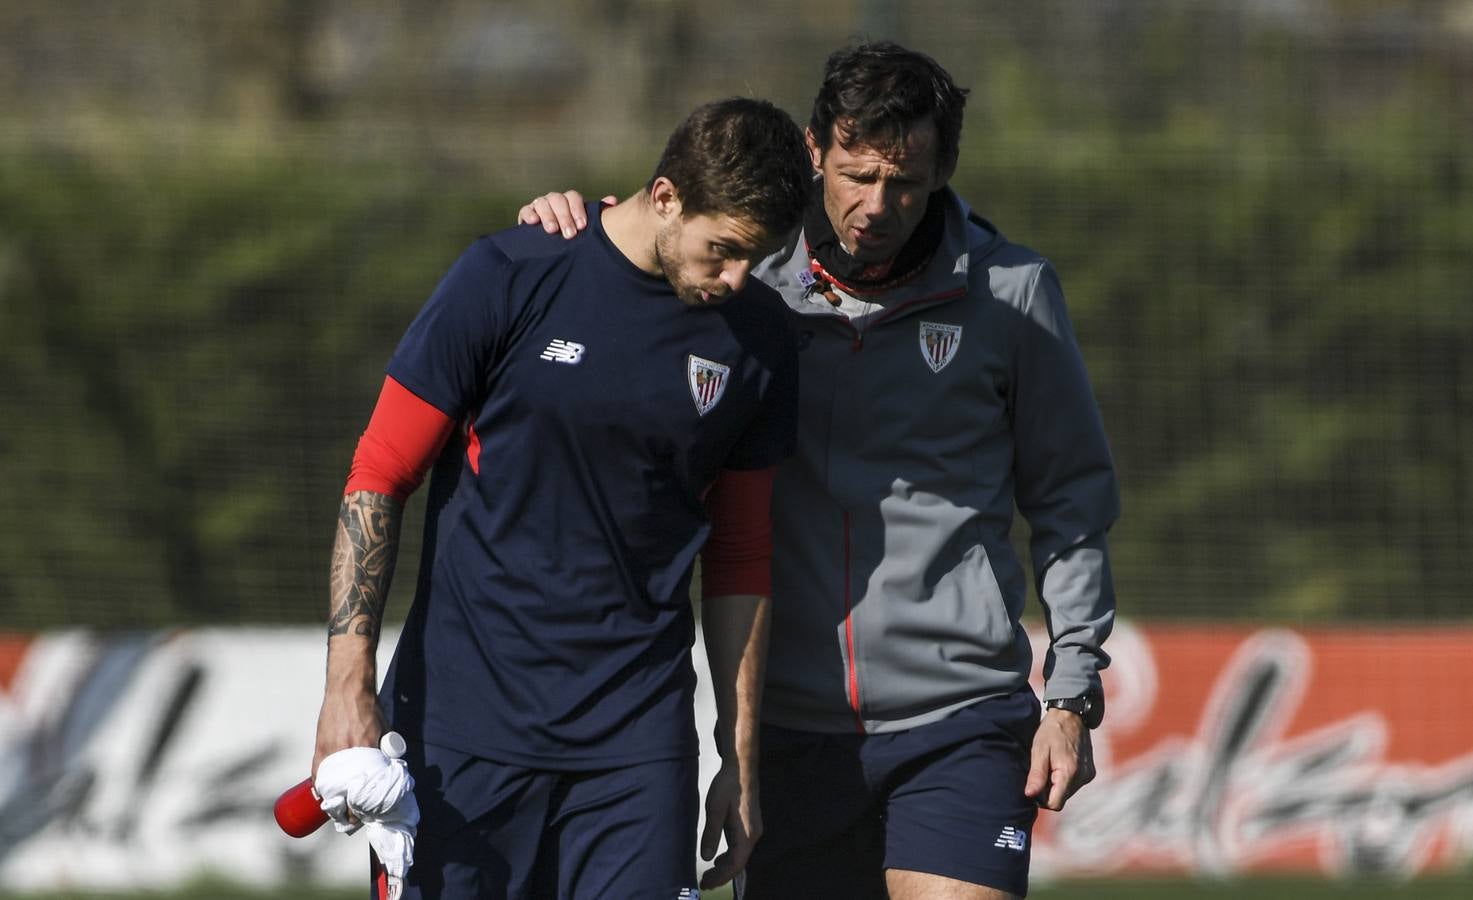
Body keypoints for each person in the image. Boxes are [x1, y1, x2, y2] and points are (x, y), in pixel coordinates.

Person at [518, 41, 1120, 900]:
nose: (875, 205)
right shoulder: (741, 273)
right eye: (853, 175)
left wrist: (1069, 694)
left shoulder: (1012, 293)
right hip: (784, 728)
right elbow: (640, 247)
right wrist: (566, 222)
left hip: (961, 718)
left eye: (903, 182)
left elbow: (1071, 501)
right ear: (812, 152)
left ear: (943, 168)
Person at [311, 96, 811, 899]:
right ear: (666, 196)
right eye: (723, 251)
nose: (737, 278)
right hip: (459, 737)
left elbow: (742, 552)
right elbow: (378, 474)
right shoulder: (510, 274)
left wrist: (738, 758)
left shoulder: (762, 340)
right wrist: (347, 691)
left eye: (759, 256)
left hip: (636, 746)